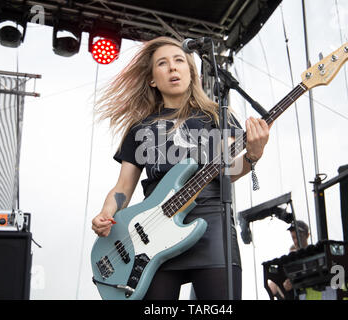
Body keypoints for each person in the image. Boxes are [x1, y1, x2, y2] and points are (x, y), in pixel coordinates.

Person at [91, 36, 270, 300]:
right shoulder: (140, 127)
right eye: (162, 63)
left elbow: (229, 170)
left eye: (179, 61)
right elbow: (122, 188)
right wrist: (106, 214)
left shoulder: (218, 115)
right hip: (151, 234)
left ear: (191, 71)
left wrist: (254, 155)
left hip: (212, 228)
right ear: (152, 79)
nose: (173, 68)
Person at [267, 220, 310, 300]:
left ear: (307, 235)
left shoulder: (315, 255)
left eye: (299, 237)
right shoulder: (289, 261)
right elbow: (274, 287)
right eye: (293, 237)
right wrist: (283, 286)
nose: (296, 241)